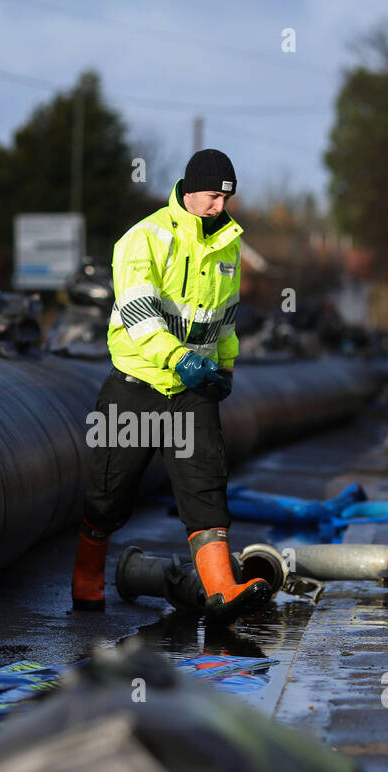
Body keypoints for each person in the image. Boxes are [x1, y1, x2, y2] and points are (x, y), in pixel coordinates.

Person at [71, 148, 270, 621]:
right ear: (188, 189)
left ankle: (221, 586)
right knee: (109, 491)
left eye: (226, 198)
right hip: (136, 383)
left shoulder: (230, 246)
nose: (219, 206)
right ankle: (87, 575)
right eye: (210, 196)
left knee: (205, 484)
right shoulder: (144, 238)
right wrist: (178, 358)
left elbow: (224, 319)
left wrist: (225, 368)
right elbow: (139, 313)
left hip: (193, 390)